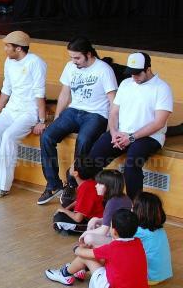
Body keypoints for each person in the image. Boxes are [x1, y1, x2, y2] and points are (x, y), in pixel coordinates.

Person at [38, 37, 117, 205]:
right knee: (47, 136)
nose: (74, 61)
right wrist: (58, 117)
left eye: (77, 58)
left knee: (84, 140)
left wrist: (112, 127)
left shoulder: (104, 70)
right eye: (71, 57)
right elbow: (64, 93)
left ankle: (73, 184)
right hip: (73, 111)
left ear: (88, 54)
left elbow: (113, 100)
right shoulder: (70, 67)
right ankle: (53, 185)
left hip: (97, 114)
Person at [88, 52, 173, 200]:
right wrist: (113, 132)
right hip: (122, 133)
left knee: (132, 164)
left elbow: (159, 123)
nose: (134, 77)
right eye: (131, 73)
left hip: (149, 136)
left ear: (148, 69)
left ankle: (135, 206)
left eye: (138, 73)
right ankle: (95, 199)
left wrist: (131, 138)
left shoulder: (162, 88)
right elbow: (114, 112)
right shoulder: (125, 84)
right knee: (93, 158)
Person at [0, 31, 47, 198]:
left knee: (8, 136)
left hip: (28, 112)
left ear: (18, 48)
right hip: (10, 110)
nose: (5, 49)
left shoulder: (36, 63)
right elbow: (6, 88)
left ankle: (2, 186)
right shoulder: (8, 61)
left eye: (7, 46)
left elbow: (40, 93)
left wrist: (41, 120)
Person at [45, 209, 148, 288]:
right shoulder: (138, 243)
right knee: (102, 258)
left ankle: (64, 274)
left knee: (85, 257)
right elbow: (110, 254)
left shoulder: (112, 248)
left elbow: (82, 253)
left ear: (114, 231)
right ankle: (81, 270)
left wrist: (77, 248)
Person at [79, 169, 132, 247]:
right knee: (94, 220)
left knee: (88, 237)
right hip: (122, 234)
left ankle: (101, 251)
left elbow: (103, 231)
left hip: (119, 239)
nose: (96, 186)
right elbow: (113, 220)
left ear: (109, 186)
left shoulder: (112, 202)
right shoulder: (124, 197)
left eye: (100, 184)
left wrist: (85, 233)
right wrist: (98, 220)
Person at [52, 157, 104, 235]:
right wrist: (66, 208)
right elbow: (79, 201)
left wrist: (64, 211)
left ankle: (88, 229)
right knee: (66, 204)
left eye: (72, 166)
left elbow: (78, 218)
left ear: (76, 173)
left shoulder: (85, 188)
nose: (70, 167)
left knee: (58, 220)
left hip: (97, 222)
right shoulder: (89, 182)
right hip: (96, 214)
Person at [132, 192, 173, 285]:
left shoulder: (138, 231)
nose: (131, 208)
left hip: (149, 278)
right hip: (162, 275)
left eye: (134, 206)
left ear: (139, 210)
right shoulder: (160, 229)